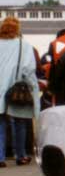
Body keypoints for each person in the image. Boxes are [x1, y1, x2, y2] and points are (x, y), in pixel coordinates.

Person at [0, 17, 41, 167]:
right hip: (18, 90)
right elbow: (28, 70)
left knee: (0, 124)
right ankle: (21, 155)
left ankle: (0, 157)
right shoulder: (25, 46)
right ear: (17, 30)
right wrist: (33, 87)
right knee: (20, 122)